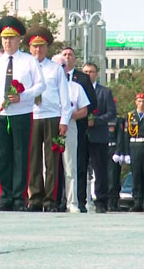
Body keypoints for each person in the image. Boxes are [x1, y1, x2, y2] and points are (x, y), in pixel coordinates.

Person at [0, 16, 45, 211]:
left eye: (12, 38)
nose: (8, 42)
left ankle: (19, 197)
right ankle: (5, 196)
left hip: (22, 113)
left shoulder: (29, 61)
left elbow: (41, 85)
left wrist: (24, 96)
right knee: (3, 156)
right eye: (4, 38)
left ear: (19, 40)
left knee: (21, 155)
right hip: (1, 115)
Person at [26, 27, 71, 212]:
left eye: (42, 46)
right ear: (30, 48)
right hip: (32, 115)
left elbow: (64, 95)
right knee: (33, 159)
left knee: (52, 160)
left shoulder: (55, 69)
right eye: (35, 47)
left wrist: (64, 119)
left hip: (52, 116)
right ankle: (35, 197)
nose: (38, 50)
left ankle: (50, 199)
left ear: (47, 48)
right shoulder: (26, 67)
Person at [59, 47, 97, 212]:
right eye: (64, 55)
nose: (67, 58)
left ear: (75, 59)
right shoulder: (51, 81)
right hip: (53, 125)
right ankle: (56, 200)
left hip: (76, 126)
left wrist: (73, 116)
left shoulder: (81, 79)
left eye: (70, 55)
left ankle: (78, 200)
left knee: (76, 164)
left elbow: (90, 103)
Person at [50, 55, 89, 213]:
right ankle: (50, 200)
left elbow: (84, 110)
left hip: (69, 126)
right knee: (49, 166)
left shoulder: (75, 87)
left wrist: (69, 116)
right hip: (50, 125)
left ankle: (72, 202)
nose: (60, 70)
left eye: (62, 67)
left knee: (70, 165)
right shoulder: (46, 86)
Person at [81, 62, 116, 213]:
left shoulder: (105, 92)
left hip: (99, 136)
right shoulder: (77, 89)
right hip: (81, 135)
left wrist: (95, 121)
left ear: (97, 74)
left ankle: (101, 201)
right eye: (86, 72)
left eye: (92, 71)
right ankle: (80, 200)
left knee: (100, 171)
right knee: (80, 169)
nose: (89, 74)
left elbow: (111, 113)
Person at [107, 113, 125, 211]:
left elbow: (120, 137)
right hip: (103, 149)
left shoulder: (117, 120)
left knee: (113, 177)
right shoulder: (99, 119)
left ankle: (113, 202)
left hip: (113, 150)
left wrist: (119, 152)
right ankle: (105, 200)